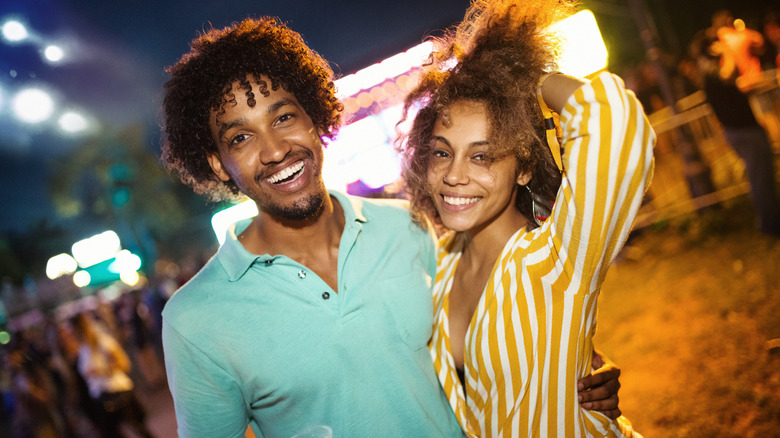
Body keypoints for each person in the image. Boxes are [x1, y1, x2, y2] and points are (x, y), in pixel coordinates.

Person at [159, 17, 622, 437]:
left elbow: (470, 355)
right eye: (241, 137)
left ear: (314, 119)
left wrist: (564, 375)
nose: (275, 148)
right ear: (219, 165)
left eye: (284, 117)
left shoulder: (410, 228)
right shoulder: (195, 321)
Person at [398, 0, 655, 435]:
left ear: (524, 168)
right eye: (443, 152)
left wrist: (522, 80)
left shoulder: (556, 260)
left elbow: (613, 121)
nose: (454, 175)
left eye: (483, 156)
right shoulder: (434, 265)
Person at [692, 27, 780, 236]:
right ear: (712, 46)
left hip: (743, 130)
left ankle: (770, 221)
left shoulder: (710, 68)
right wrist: (727, 52)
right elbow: (729, 75)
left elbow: (737, 87)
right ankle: (770, 225)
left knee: (763, 177)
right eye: (720, 41)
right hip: (743, 132)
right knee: (761, 179)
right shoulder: (712, 68)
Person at [69, 312, 155, 438]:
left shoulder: (102, 342)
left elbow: (124, 363)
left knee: (139, 429)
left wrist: (101, 371)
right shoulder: (83, 349)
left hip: (117, 392)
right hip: (101, 397)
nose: (72, 334)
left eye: (73, 330)